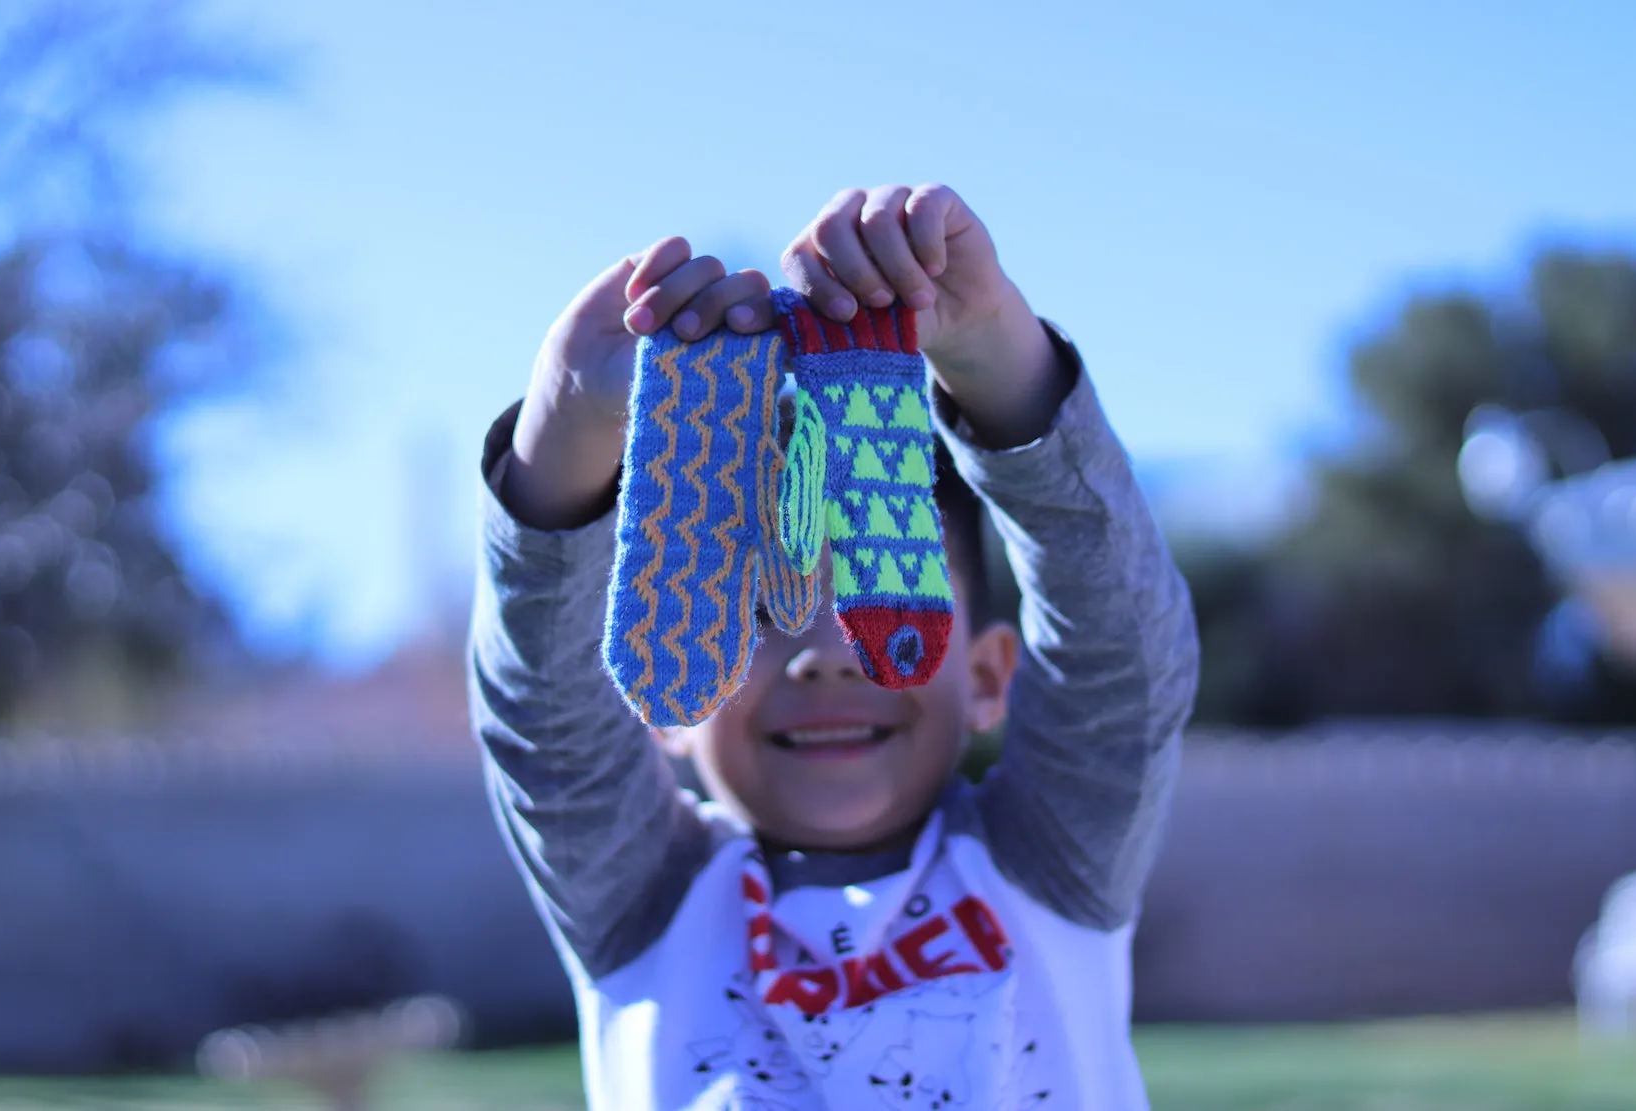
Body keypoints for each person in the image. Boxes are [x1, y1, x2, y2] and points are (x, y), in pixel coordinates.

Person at [469, 183, 1199, 1110]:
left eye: (882, 589)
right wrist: (567, 431)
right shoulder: (644, 901)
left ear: (984, 677)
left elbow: (1121, 658)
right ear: (658, 679)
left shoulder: (1050, 863)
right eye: (764, 615)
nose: (826, 656)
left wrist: (997, 359)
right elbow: (546, 728)